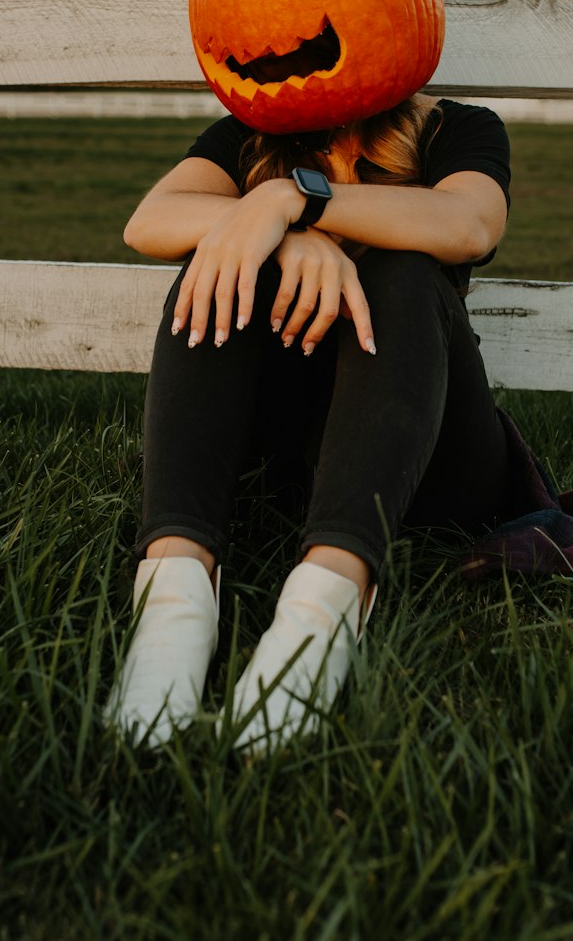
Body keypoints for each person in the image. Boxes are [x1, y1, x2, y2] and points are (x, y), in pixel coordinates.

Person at [103, 89, 518, 751]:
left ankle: (324, 607)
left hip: (433, 459)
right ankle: (174, 597)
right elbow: (148, 221)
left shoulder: (454, 128)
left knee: (405, 268)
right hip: (298, 453)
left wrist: (294, 200)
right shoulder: (248, 134)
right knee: (215, 263)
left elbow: (468, 225)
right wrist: (286, 238)